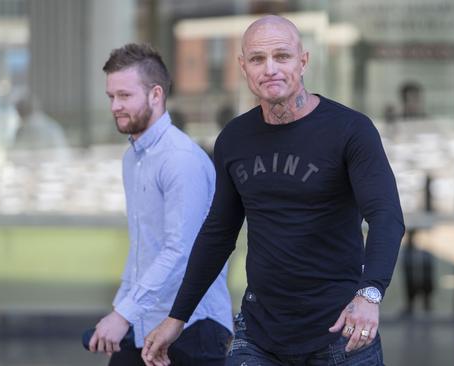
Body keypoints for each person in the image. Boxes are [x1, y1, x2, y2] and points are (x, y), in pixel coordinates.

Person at [143, 15, 404, 366]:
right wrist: (178, 317)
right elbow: (218, 233)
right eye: (257, 59)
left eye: (282, 56)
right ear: (243, 66)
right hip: (259, 335)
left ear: (303, 61)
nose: (270, 69)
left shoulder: (350, 131)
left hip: (341, 332)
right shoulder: (234, 140)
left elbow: (386, 217)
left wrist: (370, 294)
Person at [88, 43, 233, 366]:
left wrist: (123, 315)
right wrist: (121, 310)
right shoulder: (134, 158)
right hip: (146, 322)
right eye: (111, 96)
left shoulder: (180, 160)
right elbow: (143, 248)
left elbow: (180, 251)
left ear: (156, 95)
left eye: (125, 96)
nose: (114, 106)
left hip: (195, 327)